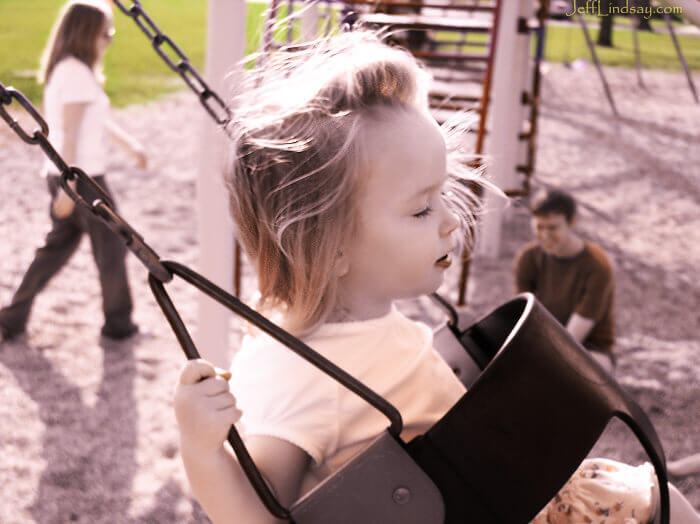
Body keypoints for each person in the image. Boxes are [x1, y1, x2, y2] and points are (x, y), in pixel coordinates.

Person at [173, 32, 700, 524]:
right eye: (422, 208)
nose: (450, 220)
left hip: (512, 489)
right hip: (495, 508)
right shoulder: (295, 369)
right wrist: (203, 453)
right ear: (328, 247)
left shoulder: (362, 308)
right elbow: (264, 513)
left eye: (441, 194)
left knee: (665, 500)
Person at [0, 0, 146, 342]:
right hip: (82, 178)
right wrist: (70, 191)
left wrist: (130, 146)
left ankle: (12, 317)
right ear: (86, 35)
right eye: (105, 34)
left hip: (69, 175)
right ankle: (119, 324)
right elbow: (69, 133)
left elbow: (97, 121)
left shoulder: (69, 69)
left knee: (55, 250)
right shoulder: (76, 73)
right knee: (111, 248)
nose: (109, 40)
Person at [514, 188, 617, 372]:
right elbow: (523, 317)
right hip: (542, 340)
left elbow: (573, 336)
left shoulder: (598, 265)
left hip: (587, 348)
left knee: (579, 372)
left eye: (553, 227)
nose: (545, 235)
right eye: (539, 227)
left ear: (572, 223)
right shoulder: (527, 259)